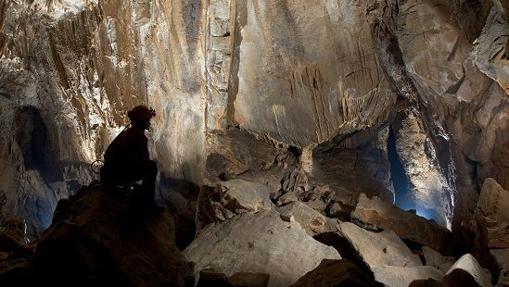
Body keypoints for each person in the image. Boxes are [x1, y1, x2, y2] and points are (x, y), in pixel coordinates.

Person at [100, 105, 162, 213]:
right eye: (147, 119)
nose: (149, 122)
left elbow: (108, 155)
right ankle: (149, 204)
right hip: (115, 176)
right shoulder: (138, 137)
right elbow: (144, 161)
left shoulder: (126, 134)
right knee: (151, 167)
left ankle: (135, 193)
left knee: (145, 166)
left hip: (107, 175)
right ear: (142, 121)